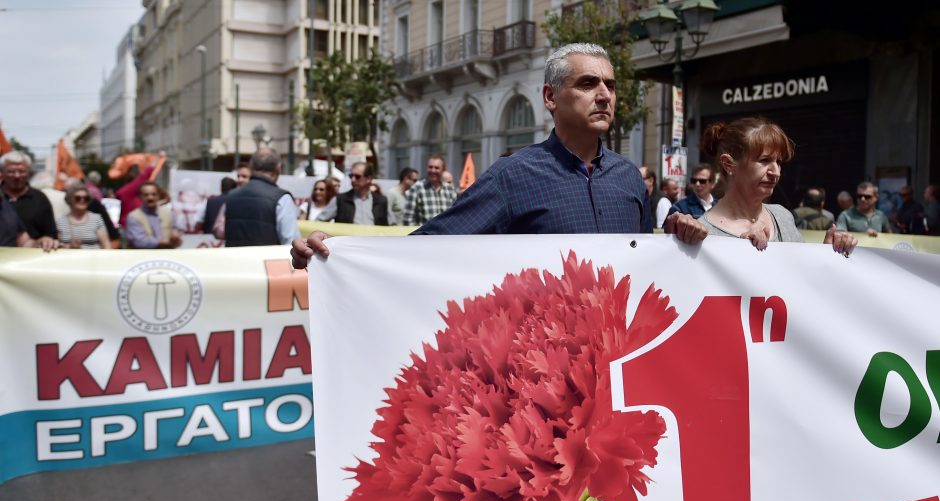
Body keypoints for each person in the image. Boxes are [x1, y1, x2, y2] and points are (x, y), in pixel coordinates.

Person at [292, 42, 705, 266]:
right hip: (546, 374)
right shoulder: (515, 176)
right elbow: (430, 246)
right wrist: (337, 251)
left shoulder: (630, 178)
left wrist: (684, 237)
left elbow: (645, 261)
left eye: (610, 85)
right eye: (587, 83)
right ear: (550, 97)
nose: (604, 95)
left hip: (620, 365)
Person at [697, 117, 856, 255]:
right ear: (728, 164)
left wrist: (828, 252)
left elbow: (803, 278)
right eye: (764, 160)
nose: (776, 172)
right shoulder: (701, 232)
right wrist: (742, 253)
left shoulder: (782, 216)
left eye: (778, 162)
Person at [220, 147, 300, 246]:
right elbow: (291, 242)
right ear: (279, 168)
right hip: (267, 260)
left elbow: (221, 231)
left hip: (233, 260)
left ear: (251, 167)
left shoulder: (231, 195)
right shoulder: (282, 198)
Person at [0, 151, 59, 251]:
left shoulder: (40, 198)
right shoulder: (2, 199)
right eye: (11, 171)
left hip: (30, 259)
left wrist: (43, 241)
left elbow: (25, 240)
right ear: (2, 173)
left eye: (21, 171)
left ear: (29, 172)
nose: (17, 176)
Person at [401, 155, 457, 226]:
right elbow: (407, 219)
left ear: (443, 170)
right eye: (430, 167)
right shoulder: (416, 188)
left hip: (446, 235)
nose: (433, 170)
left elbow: (455, 215)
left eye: (437, 168)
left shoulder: (450, 190)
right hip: (425, 235)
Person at [125, 182, 182, 249]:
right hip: (143, 256)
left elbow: (177, 230)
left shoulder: (169, 213)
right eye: (146, 195)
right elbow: (139, 241)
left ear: (159, 196)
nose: (150, 198)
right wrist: (166, 242)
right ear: (140, 197)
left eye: (154, 194)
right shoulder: (133, 216)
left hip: (166, 255)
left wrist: (176, 236)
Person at [115, 151, 164, 227]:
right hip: (131, 228)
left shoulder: (129, 193)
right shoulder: (129, 191)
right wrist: (158, 157)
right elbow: (146, 174)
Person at [56, 183, 110, 249]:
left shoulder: (96, 219)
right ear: (69, 199)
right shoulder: (60, 221)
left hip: (93, 258)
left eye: (86, 198)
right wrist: (70, 246)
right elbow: (57, 246)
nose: (82, 200)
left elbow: (106, 245)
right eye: (78, 198)